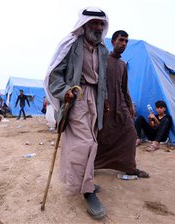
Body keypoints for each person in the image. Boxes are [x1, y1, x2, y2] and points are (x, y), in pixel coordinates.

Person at [44, 7, 109, 219]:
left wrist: (104, 100)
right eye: (94, 23)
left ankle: (86, 180)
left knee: (92, 141)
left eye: (101, 23)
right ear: (85, 24)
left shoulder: (103, 50)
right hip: (77, 98)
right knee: (84, 144)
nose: (98, 27)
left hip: (95, 101)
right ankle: (87, 191)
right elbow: (55, 75)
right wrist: (65, 92)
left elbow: (102, 79)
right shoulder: (71, 45)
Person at [95, 30, 149, 178]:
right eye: (121, 40)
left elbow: (124, 87)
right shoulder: (103, 60)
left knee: (130, 134)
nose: (124, 43)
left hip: (121, 106)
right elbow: (98, 84)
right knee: (102, 136)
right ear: (112, 42)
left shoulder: (122, 64)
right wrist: (103, 101)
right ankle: (92, 165)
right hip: (106, 106)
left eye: (126, 41)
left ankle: (129, 167)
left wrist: (130, 104)